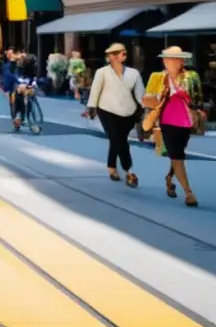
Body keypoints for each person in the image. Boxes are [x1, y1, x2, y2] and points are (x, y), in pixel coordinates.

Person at [144, 46, 204, 207]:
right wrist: (159, 96)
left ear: (181, 61)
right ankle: (188, 192)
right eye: (168, 58)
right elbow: (147, 98)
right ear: (164, 60)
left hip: (185, 121)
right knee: (177, 157)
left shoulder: (191, 77)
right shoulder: (157, 77)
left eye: (176, 59)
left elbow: (198, 98)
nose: (171, 61)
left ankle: (169, 178)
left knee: (178, 154)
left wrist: (196, 108)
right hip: (167, 121)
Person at [84, 42, 144, 187]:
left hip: (128, 112)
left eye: (122, 52)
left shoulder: (133, 73)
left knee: (118, 139)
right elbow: (95, 90)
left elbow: (140, 94)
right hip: (106, 110)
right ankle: (129, 170)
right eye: (115, 53)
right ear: (110, 57)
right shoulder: (102, 72)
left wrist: (146, 110)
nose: (120, 55)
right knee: (118, 140)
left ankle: (111, 166)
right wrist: (91, 107)